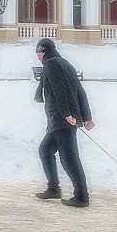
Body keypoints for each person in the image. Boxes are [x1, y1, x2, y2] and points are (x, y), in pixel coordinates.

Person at [33, 38, 95, 208]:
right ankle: (53, 189)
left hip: (61, 119)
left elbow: (60, 90)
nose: (37, 56)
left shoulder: (52, 65)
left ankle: (82, 196)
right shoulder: (65, 64)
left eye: (38, 52)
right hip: (59, 120)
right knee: (45, 150)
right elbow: (79, 91)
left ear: (42, 51)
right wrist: (86, 116)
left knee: (69, 159)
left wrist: (67, 114)